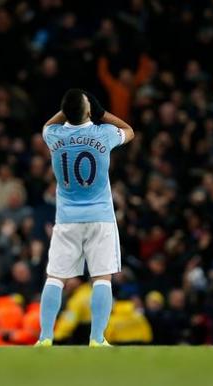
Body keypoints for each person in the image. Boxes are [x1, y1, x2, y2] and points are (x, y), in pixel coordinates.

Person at [35, 89, 134, 347]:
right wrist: (102, 114)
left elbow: (48, 124)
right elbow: (129, 130)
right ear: (90, 110)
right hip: (100, 216)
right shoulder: (104, 134)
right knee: (102, 277)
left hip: (67, 218)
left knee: (55, 277)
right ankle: (97, 339)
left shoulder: (53, 136)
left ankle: (45, 337)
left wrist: (70, 110)